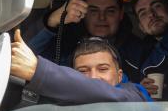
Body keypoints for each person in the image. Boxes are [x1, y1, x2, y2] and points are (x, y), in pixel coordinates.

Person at [27, 0, 144, 82]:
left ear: (121, 14)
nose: (101, 18)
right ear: (83, 13)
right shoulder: (64, 43)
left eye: (110, 11)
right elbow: (24, 55)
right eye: (93, 11)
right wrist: (52, 20)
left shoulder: (139, 51)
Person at [11, 29, 152, 104]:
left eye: (103, 69)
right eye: (83, 71)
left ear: (120, 75)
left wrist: (38, 70)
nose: (94, 78)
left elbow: (109, 95)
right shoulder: (68, 95)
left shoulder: (136, 94)